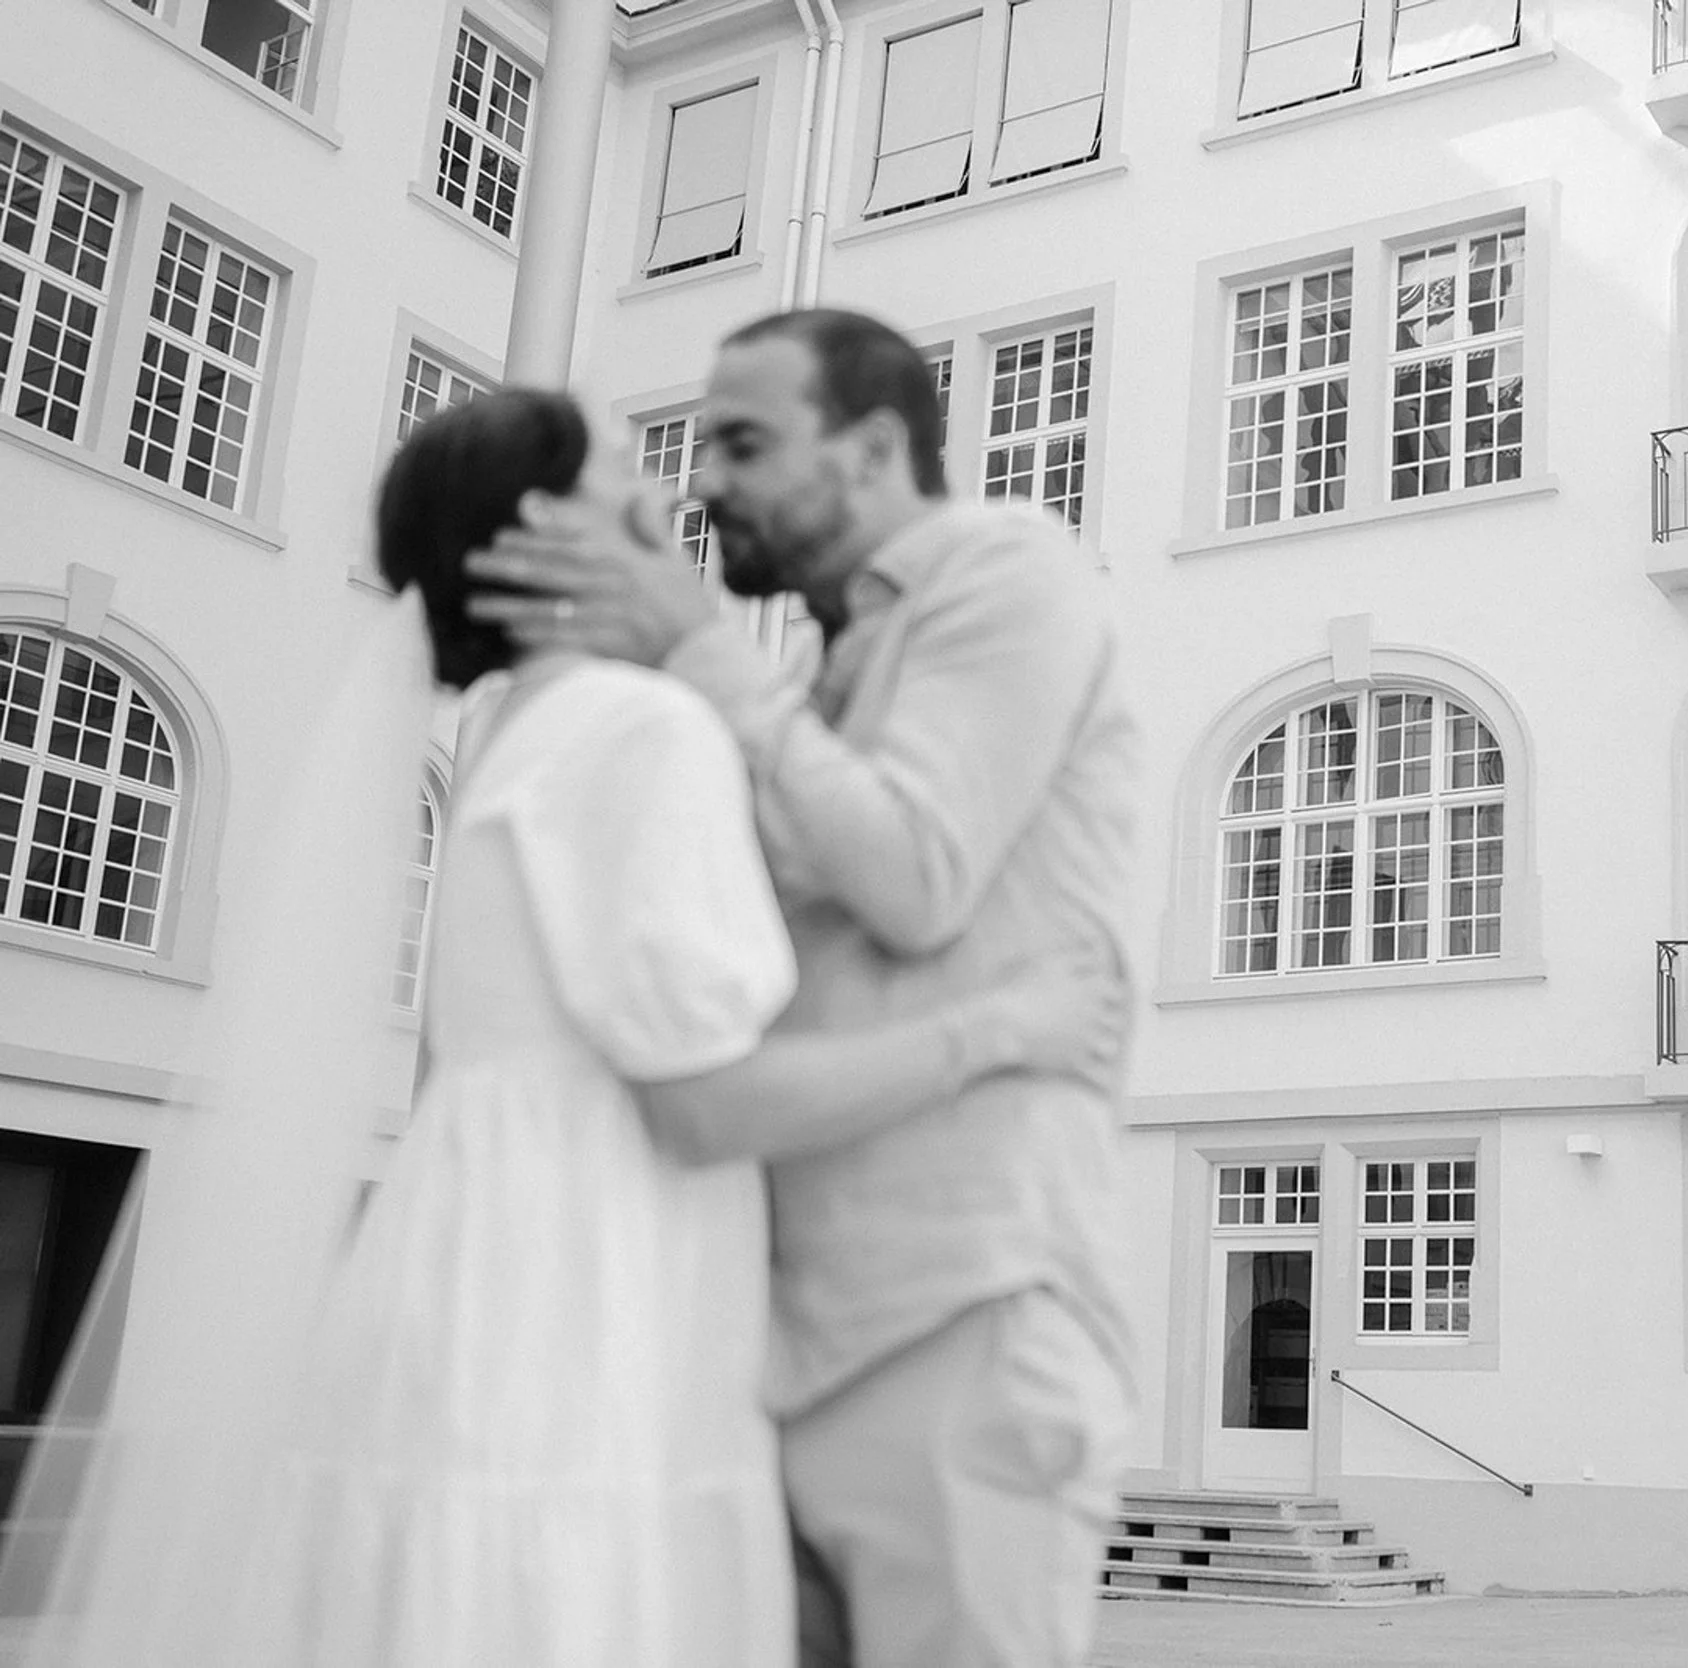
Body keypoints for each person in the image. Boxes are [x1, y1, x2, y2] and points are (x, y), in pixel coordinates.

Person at [8, 389, 1120, 1668]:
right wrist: (1003, 1027)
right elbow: (706, 1103)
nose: (670, 495)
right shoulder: (638, 729)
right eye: (627, 475)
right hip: (586, 1294)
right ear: (547, 523)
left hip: (472, 1260)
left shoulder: (518, 729)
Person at [467, 308, 1141, 1668]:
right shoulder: (811, 673)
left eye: (746, 442)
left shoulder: (1012, 573)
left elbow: (917, 874)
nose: (706, 480)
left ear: (876, 445)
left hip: (957, 1313)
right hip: (777, 1333)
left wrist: (699, 648)